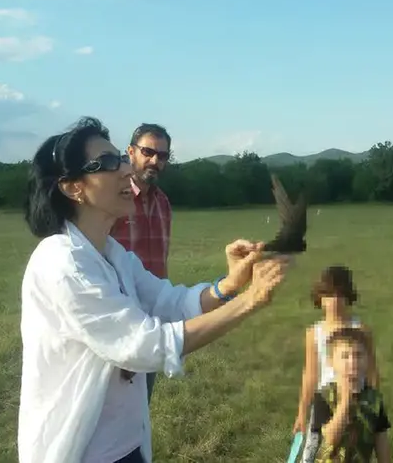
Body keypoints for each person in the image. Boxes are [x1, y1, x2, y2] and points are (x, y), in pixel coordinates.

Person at [17, 116, 291, 463]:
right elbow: (146, 345)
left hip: (127, 445)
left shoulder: (114, 255)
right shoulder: (63, 263)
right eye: (105, 164)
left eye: (119, 159)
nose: (124, 171)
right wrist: (250, 301)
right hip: (83, 450)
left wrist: (230, 285)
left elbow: (170, 301)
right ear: (72, 187)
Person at [110, 122, 173, 403]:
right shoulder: (113, 198)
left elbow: (161, 264)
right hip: (116, 320)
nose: (155, 160)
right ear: (131, 152)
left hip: (152, 319)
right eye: (148, 152)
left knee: (140, 407)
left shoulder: (163, 204)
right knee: (111, 410)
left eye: (162, 155)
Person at [292, 266, 380, 463]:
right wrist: (302, 411)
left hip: (357, 397)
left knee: (354, 448)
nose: (334, 301)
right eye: (328, 295)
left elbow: (372, 369)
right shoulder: (314, 333)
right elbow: (310, 374)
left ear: (349, 296)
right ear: (319, 298)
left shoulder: (361, 330)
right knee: (315, 450)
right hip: (324, 400)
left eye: (340, 294)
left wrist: (373, 401)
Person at [308, 327, 391, 462]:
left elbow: (381, 438)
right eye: (345, 356)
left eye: (358, 355)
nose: (353, 362)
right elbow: (330, 438)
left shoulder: (374, 399)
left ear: (368, 360)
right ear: (331, 361)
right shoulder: (323, 396)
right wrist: (345, 402)